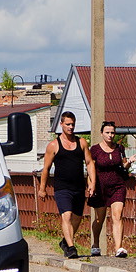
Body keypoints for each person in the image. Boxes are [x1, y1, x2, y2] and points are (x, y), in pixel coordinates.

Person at [38, 110, 93, 259]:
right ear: (61, 125)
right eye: (67, 124)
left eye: (72, 124)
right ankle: (71, 247)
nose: (70, 127)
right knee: (66, 216)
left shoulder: (81, 142)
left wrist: (92, 182)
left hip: (78, 187)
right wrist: (42, 188)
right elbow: (46, 168)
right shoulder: (54, 145)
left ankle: (64, 241)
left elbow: (89, 162)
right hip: (62, 187)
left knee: (77, 218)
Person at [88, 120, 136, 258]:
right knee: (100, 219)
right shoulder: (95, 150)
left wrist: (129, 163)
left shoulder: (119, 148)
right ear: (102, 133)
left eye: (112, 133)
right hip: (100, 186)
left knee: (117, 216)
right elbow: (91, 168)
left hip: (117, 185)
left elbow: (123, 167)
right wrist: (91, 185)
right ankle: (96, 245)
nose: (110, 135)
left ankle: (119, 248)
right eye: (107, 132)